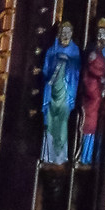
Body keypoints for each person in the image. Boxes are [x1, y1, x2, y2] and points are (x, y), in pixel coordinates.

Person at [41, 21, 80, 163]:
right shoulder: (52, 50)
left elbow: (77, 70)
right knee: (50, 122)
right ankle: (48, 155)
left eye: (68, 32)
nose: (65, 34)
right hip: (52, 92)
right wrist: (57, 61)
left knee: (62, 123)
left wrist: (67, 61)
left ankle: (59, 156)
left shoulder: (74, 51)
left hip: (65, 92)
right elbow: (46, 69)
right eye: (63, 31)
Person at [75, 20, 105, 165]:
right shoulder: (92, 49)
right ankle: (85, 155)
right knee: (89, 123)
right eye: (99, 33)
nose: (101, 36)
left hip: (103, 90)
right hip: (92, 89)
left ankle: (96, 156)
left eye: (104, 33)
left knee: (101, 124)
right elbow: (89, 67)